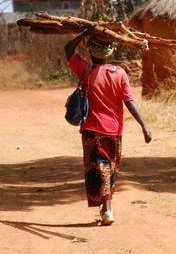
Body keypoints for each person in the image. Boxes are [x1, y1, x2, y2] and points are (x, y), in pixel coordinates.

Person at [65, 23, 152, 226]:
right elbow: (129, 101)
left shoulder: (84, 69)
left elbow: (68, 49)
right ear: (110, 51)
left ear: (90, 51)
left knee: (99, 168)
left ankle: (106, 207)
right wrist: (143, 125)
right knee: (109, 168)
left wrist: (84, 33)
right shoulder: (119, 73)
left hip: (91, 130)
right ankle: (107, 207)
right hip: (113, 130)